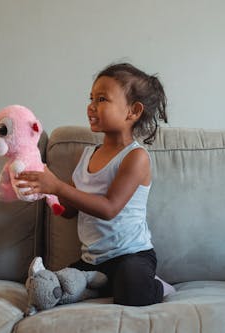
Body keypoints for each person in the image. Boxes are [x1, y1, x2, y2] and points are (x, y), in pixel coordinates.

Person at [16, 63, 175, 306]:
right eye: (91, 98)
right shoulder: (88, 155)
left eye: (101, 99)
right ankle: (98, 284)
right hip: (92, 261)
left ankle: (156, 286)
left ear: (133, 111)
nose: (91, 106)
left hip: (131, 256)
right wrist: (45, 191)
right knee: (57, 286)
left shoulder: (136, 157)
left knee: (132, 292)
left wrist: (57, 186)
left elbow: (109, 208)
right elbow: (69, 211)